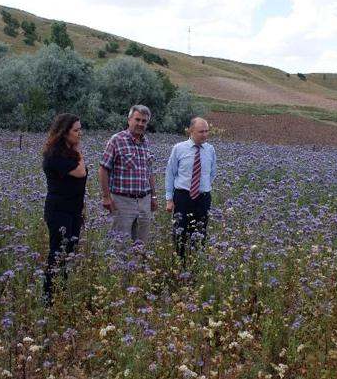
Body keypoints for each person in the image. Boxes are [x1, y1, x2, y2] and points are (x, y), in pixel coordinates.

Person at [42, 113, 88, 305]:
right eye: (76, 130)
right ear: (64, 132)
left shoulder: (69, 152)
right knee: (57, 253)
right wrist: (78, 150)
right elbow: (80, 172)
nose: (80, 134)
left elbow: (80, 184)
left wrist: (83, 206)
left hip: (74, 210)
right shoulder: (54, 154)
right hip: (59, 210)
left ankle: (61, 291)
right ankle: (48, 298)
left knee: (69, 252)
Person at [99, 105, 158, 243]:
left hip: (144, 201)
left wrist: (153, 196)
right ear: (129, 120)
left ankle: (139, 265)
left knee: (141, 245)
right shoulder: (116, 140)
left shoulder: (145, 142)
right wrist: (106, 196)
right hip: (122, 201)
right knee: (120, 245)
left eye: (144, 121)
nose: (140, 124)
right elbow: (103, 169)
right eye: (137, 119)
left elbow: (149, 172)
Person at [165, 117, 217, 261]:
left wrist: (203, 186)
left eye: (207, 131)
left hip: (203, 198)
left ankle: (195, 263)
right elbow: (170, 173)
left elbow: (212, 173)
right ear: (191, 131)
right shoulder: (179, 148)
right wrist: (169, 199)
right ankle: (179, 265)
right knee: (179, 232)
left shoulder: (210, 150)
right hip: (183, 197)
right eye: (201, 131)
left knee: (201, 232)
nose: (205, 135)